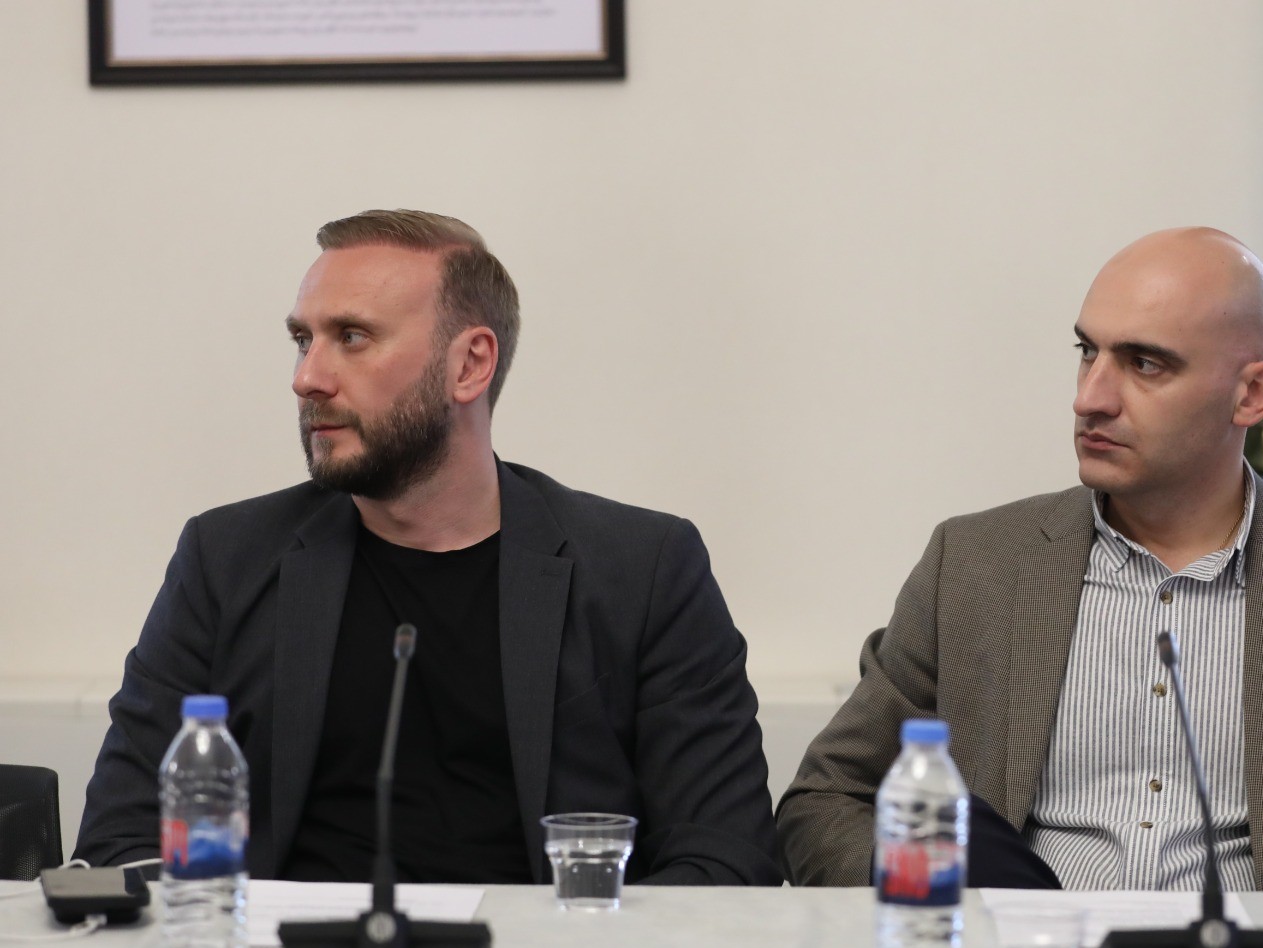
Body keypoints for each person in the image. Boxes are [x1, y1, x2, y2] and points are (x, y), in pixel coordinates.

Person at [76, 209, 782, 886]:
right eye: (303, 339)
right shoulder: (226, 559)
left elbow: (726, 858)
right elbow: (121, 840)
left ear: (470, 364)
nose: (307, 377)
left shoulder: (642, 570)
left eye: (352, 336)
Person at [777, 227, 1263, 893]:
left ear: (1252, 393)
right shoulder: (973, 565)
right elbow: (826, 802)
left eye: (1145, 364)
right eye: (1088, 352)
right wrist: (952, 893)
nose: (1090, 397)